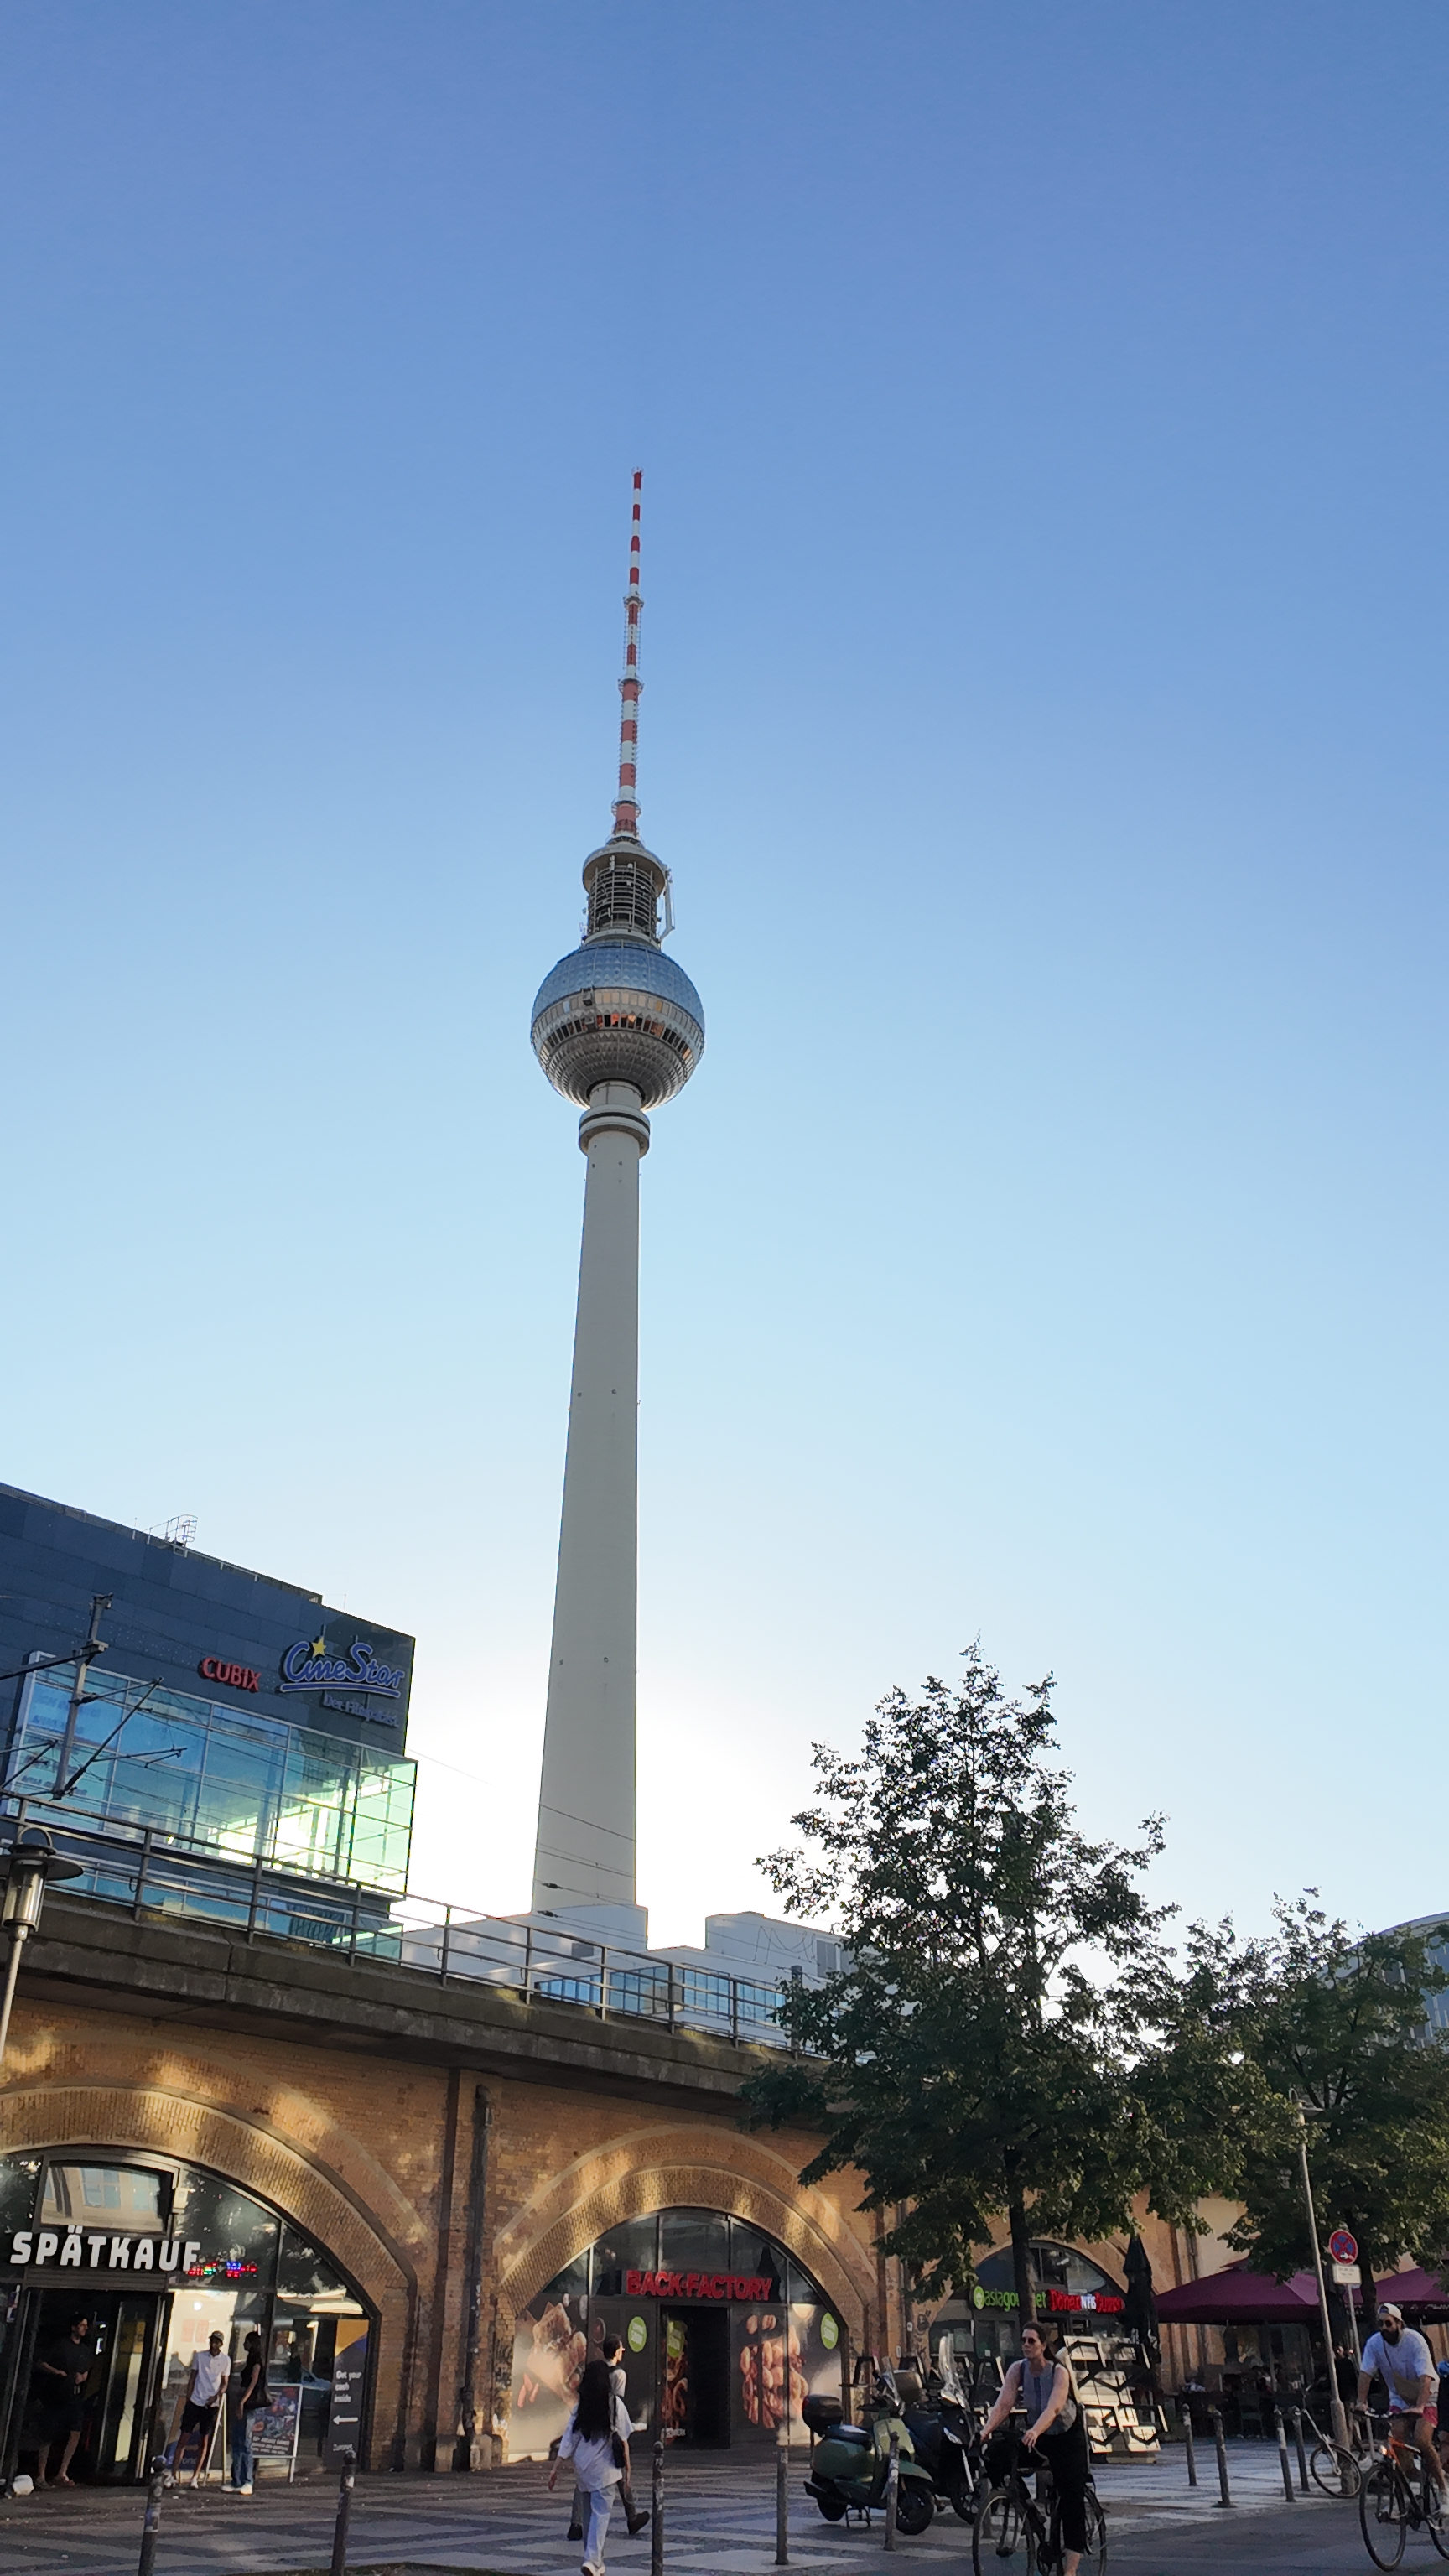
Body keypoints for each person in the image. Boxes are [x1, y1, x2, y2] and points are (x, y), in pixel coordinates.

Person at [980, 2322, 1091, 2576]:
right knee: (997, 2455)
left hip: (1065, 2437)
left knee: (1071, 2499)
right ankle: (1026, 2510)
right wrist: (986, 2430)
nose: (1027, 2345)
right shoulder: (1017, 2370)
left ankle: (1071, 2570)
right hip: (1038, 2434)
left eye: (1032, 2341)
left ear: (1043, 2345)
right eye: (1024, 2341)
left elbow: (1054, 2407)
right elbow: (1004, 2403)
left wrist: (1035, 2430)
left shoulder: (1058, 2372)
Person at [1358, 2303, 1447, 2521]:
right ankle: (1406, 2490)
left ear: (1399, 2323)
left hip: (1428, 2395)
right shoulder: (1375, 2344)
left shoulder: (1414, 2340)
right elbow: (1366, 2373)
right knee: (1395, 2439)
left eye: (1388, 2323)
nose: (1384, 2328)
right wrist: (1361, 2402)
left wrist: (1420, 2406)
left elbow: (1425, 2376)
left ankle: (1444, 2490)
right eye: (1380, 2324)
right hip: (1399, 2396)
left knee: (1422, 2440)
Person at [548, 2357, 633, 2576]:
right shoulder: (614, 2404)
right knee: (601, 2513)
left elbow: (569, 2438)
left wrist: (556, 2467)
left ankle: (595, 2561)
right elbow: (623, 2439)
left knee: (588, 2515)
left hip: (583, 2468)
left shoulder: (581, 2406)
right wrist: (628, 2472)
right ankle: (592, 2560)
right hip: (605, 2470)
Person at [567, 2337, 647, 2546]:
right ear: (617, 2352)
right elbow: (616, 2401)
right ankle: (631, 2515)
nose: (623, 2351)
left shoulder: (595, 2371)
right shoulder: (619, 2374)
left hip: (590, 2427)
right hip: (609, 2428)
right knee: (618, 2471)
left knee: (585, 2476)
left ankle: (576, 2523)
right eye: (621, 2349)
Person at [34, 2313, 96, 2488]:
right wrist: (56, 2372)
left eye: (86, 2326)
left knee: (75, 2432)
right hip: (56, 2396)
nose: (84, 2329)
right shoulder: (61, 2345)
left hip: (74, 2397)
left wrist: (82, 2378)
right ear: (73, 2327)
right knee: (48, 2434)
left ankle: (62, 2472)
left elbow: (86, 2371)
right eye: (81, 2326)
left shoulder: (85, 2350)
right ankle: (41, 2474)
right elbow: (41, 2362)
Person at [176, 2330, 230, 2489]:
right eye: (212, 2341)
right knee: (184, 2437)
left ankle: (195, 2476)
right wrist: (189, 2395)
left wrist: (217, 2396)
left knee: (204, 2440)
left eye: (217, 2342)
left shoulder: (225, 2360)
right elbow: (193, 2376)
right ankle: (173, 2474)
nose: (213, 2345)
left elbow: (224, 2382)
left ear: (221, 2344)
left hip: (211, 2404)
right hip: (195, 2401)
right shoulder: (200, 2357)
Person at [227, 2331, 267, 2495]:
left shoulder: (256, 2361)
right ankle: (236, 2479)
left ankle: (247, 2480)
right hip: (242, 2401)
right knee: (237, 2441)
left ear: (251, 2343)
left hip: (248, 2404)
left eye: (246, 2342)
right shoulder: (250, 2360)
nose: (244, 2345)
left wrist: (243, 2401)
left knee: (245, 2442)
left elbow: (253, 2382)